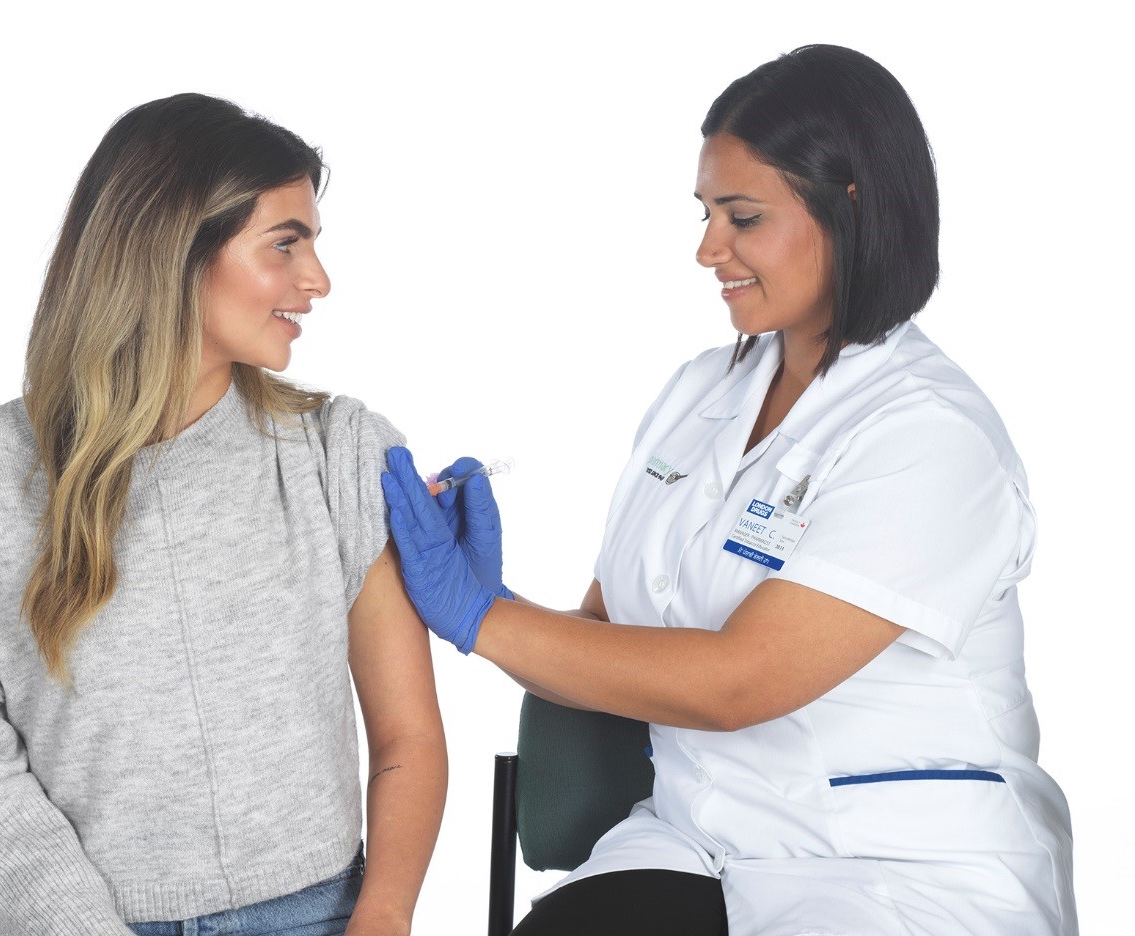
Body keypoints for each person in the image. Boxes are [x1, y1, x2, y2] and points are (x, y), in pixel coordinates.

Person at [381, 45, 1076, 936]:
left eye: (742, 217)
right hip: (696, 837)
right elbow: (610, 646)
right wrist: (496, 599)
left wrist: (479, 616)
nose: (708, 248)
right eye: (708, 213)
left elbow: (737, 683)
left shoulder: (931, 437)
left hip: (891, 870)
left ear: (850, 207)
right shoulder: (701, 393)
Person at [0, 93, 445, 936]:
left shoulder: (341, 453)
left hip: (320, 916)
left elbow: (406, 737)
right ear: (176, 249)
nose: (318, 280)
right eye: (285, 244)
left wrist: (385, 918)